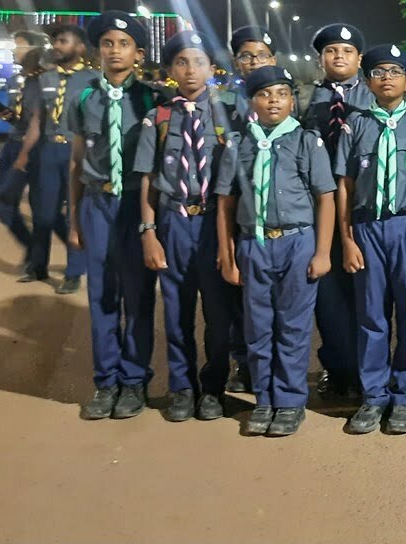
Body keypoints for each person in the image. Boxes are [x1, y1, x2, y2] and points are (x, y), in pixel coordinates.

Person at [217, 65, 336, 437]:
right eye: (264, 94)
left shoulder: (307, 141)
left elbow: (326, 198)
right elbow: (225, 203)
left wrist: (323, 252)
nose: (273, 101)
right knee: (258, 328)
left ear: (292, 101)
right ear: (252, 101)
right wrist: (227, 255)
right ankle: (264, 399)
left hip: (296, 242)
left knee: (293, 327)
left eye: (282, 94)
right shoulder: (239, 144)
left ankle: (289, 401)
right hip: (254, 243)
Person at [134, 31, 238, 422]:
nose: (190, 70)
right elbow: (148, 178)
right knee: (176, 310)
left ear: (211, 68)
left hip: (214, 221)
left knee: (218, 313)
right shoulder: (159, 117)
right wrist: (149, 232)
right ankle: (181, 387)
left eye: (198, 62)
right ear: (170, 69)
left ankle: (213, 387)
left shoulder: (229, 113)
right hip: (173, 221)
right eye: (181, 62)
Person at [69, 11, 161, 420]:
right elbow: (76, 161)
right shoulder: (84, 97)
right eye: (107, 43)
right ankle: (105, 381)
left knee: (138, 295)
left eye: (124, 44)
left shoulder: (152, 100)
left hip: (136, 204)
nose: (114, 51)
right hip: (98, 204)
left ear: (138, 54)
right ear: (98, 51)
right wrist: (75, 220)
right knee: (102, 294)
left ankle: (134, 380)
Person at [335, 44, 406, 435]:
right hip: (367, 228)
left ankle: (405, 395)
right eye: (378, 72)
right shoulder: (356, 124)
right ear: (367, 81)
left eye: (395, 72)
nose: (386, 78)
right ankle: (373, 395)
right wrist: (347, 238)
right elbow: (345, 184)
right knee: (371, 315)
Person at [301, 23, 373, 402]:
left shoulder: (374, 95)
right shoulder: (305, 100)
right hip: (321, 209)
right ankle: (336, 366)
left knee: (368, 295)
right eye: (331, 51)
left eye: (347, 51)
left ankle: (369, 369)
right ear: (321, 59)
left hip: (366, 206)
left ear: (359, 59)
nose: (339, 56)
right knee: (328, 296)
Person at [218, 25, 276, 392]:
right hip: (235, 205)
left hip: (273, 210)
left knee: (274, 297)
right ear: (236, 61)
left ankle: (274, 368)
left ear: (273, 59)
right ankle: (244, 363)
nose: (254, 62)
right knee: (237, 292)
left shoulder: (285, 98)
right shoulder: (221, 103)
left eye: (261, 55)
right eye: (246, 56)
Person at [31, 24, 93, 293]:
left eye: (63, 41)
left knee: (74, 213)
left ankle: (74, 272)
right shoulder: (45, 78)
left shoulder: (93, 80)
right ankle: (37, 265)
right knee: (43, 212)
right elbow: (38, 119)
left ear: (79, 47)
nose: (57, 45)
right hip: (49, 150)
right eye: (55, 41)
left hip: (76, 150)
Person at [0, 31, 44, 279]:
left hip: (31, 148)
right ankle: (34, 250)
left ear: (34, 50)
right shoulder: (16, 79)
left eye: (19, 46)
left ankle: (37, 253)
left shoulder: (43, 80)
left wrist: (25, 153)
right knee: (3, 202)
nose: (14, 51)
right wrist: (3, 113)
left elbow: (37, 121)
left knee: (39, 206)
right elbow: (17, 118)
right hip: (12, 144)